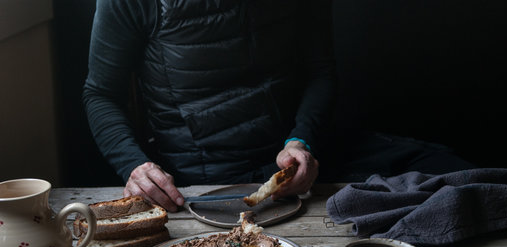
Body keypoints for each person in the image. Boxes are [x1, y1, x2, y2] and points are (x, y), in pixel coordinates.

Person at [83, 0, 336, 212]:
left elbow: (320, 72)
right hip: (192, 190)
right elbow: (101, 94)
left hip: (298, 173)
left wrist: (302, 139)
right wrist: (134, 165)